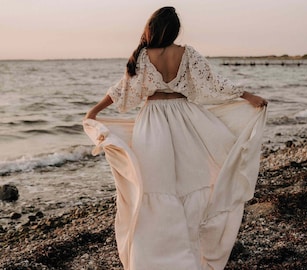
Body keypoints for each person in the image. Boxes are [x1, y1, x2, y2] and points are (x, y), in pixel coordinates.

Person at [84, 6, 267, 270]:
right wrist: (248, 96)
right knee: (192, 183)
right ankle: (191, 251)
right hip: (188, 120)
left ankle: (156, 258)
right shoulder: (187, 53)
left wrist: (95, 111)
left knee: (156, 186)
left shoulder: (143, 56)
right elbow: (215, 83)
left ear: (152, 28)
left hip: (154, 122)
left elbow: (122, 92)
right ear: (174, 30)